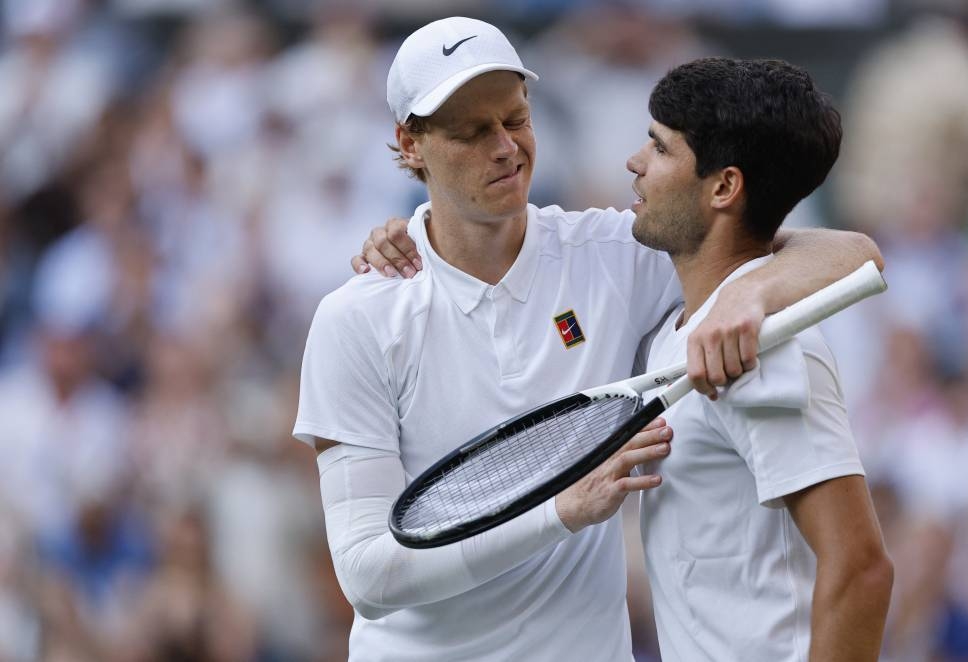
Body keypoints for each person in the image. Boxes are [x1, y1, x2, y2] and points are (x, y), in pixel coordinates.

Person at [300, 17, 880, 661]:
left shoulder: (616, 250)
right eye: (472, 131)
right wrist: (561, 513)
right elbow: (369, 576)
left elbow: (847, 253)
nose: (505, 148)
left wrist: (754, 291)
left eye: (515, 120)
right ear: (410, 144)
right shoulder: (355, 319)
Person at [626, 58, 892, 661]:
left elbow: (862, 570)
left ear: (723, 187)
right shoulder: (697, 320)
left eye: (660, 148)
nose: (635, 162)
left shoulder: (760, 353)